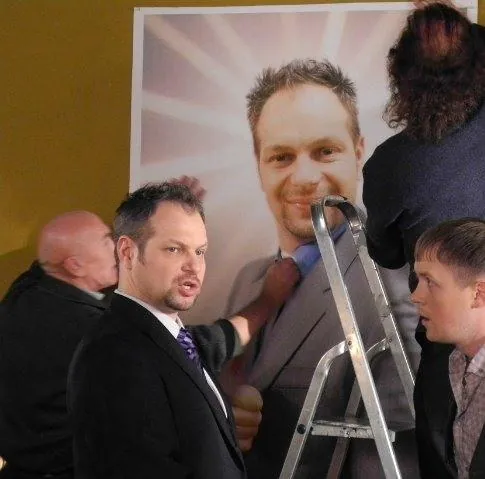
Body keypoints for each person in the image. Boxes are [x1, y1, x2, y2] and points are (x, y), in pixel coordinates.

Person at [222, 58, 419, 478]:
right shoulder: (248, 281)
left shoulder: (392, 281)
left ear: (359, 153)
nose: (305, 177)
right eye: (281, 156)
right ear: (259, 165)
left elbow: (397, 452)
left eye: (325, 151)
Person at [67, 182, 300, 479]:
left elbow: (224, 338)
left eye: (200, 251)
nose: (194, 266)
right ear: (127, 252)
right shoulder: (113, 355)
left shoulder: (176, 339)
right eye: (174, 249)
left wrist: (269, 298)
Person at [361, 4, 485, 477]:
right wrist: (443, 23)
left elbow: (388, 253)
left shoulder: (391, 166)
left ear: (401, 78)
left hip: (447, 348)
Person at [0, 211, 118, 479]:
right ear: (75, 266)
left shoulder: (24, 291)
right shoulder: (93, 330)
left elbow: (43, 262)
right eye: (106, 241)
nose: (117, 249)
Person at [411, 218, 485, 478]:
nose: (415, 296)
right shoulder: (449, 364)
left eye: (430, 282)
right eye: (418, 280)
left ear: (478, 294)